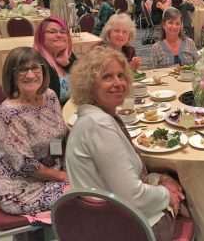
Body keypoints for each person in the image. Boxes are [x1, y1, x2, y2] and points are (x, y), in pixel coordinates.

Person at [66, 46, 189, 240]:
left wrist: (160, 179)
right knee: (193, 202)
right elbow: (132, 197)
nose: (118, 83)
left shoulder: (95, 117)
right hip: (124, 229)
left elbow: (120, 175)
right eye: (107, 77)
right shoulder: (99, 125)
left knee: (174, 182)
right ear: (89, 84)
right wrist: (166, 194)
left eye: (121, 76)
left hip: (99, 219)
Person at [0, 47, 68, 216]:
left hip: (52, 169)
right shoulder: (9, 113)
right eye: (22, 70)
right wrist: (62, 176)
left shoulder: (50, 96)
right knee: (84, 193)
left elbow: (57, 136)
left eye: (35, 67)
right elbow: (25, 165)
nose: (30, 75)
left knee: (93, 175)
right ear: (11, 75)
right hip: (23, 187)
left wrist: (64, 165)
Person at [34, 16, 76, 105]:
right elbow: (44, 103)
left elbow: (83, 84)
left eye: (63, 32)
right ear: (41, 36)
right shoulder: (37, 63)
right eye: (52, 32)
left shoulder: (69, 56)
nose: (59, 35)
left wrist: (67, 63)